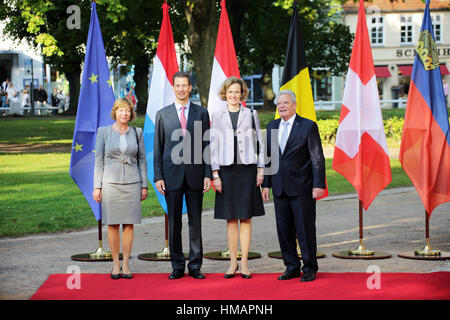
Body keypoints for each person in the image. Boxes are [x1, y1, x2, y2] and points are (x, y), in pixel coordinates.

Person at [262, 89, 325, 283]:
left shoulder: (308, 126)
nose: (281, 106)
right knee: (284, 229)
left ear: (294, 105)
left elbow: (317, 158)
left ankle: (309, 267)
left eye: (285, 103)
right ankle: (291, 266)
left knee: (305, 229)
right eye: (279, 103)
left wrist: (318, 184)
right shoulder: (272, 126)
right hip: (280, 188)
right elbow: (269, 158)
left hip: (303, 188)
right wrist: (266, 185)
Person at [154, 71, 211, 280]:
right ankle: (177, 266)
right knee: (174, 223)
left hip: (196, 175)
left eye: (184, 85)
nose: (181, 89)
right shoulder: (163, 114)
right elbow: (158, 147)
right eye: (177, 85)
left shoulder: (201, 113)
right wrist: (158, 176)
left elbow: (207, 145)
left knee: (195, 223)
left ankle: (195, 266)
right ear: (174, 88)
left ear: (190, 88)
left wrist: (207, 174)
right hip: (171, 176)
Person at [210, 77, 265, 279]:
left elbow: (260, 143)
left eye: (237, 92)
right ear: (225, 93)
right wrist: (215, 174)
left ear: (242, 94)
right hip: (226, 172)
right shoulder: (217, 116)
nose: (234, 95)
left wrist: (261, 170)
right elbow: (212, 147)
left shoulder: (251, 114)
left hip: (247, 170)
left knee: (246, 216)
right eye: (230, 92)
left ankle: (244, 263)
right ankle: (232, 262)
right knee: (231, 217)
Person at [93, 97, 148, 280]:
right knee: (113, 224)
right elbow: (99, 160)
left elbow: (142, 160)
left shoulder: (136, 132)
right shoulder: (104, 132)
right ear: (115, 112)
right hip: (110, 183)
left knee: (129, 224)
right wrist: (97, 187)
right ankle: (116, 264)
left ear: (131, 114)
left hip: (132, 182)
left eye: (127, 110)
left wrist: (144, 185)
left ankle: (126, 264)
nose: (124, 113)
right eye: (121, 110)